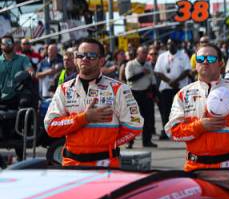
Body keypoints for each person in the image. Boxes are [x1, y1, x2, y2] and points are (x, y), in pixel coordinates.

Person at [44, 37, 143, 167]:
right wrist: (84, 118)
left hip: (106, 163)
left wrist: (110, 143)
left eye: (91, 55)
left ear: (101, 61)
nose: (85, 59)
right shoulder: (64, 89)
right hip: (72, 164)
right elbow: (51, 127)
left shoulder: (118, 89)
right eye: (80, 55)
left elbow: (134, 125)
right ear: (75, 59)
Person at [165, 43, 229, 174]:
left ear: (221, 63)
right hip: (194, 167)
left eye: (210, 59)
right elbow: (173, 132)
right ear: (195, 64)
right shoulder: (183, 94)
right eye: (200, 59)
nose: (205, 62)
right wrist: (200, 126)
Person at [154, 41, 192, 139]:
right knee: (165, 111)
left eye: (173, 43)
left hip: (180, 87)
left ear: (177, 45)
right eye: (169, 44)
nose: (170, 45)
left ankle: (181, 130)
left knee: (181, 111)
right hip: (166, 88)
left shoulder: (183, 56)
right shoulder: (162, 56)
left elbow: (187, 70)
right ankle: (166, 132)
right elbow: (157, 72)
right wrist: (169, 81)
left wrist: (176, 81)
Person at [125, 45, 158, 147]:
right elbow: (130, 79)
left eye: (145, 52)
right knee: (133, 118)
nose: (144, 55)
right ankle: (130, 141)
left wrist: (154, 94)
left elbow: (153, 80)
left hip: (146, 93)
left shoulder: (148, 65)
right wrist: (142, 73)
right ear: (138, 54)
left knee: (148, 118)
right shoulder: (131, 64)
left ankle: (147, 141)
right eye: (142, 52)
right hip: (134, 93)